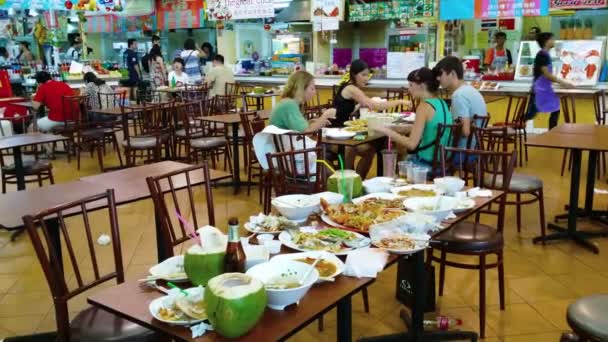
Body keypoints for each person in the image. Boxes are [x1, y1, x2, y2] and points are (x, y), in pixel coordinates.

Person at [333, 59, 409, 178]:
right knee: (361, 148)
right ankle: (349, 180)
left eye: (367, 75)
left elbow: (348, 107)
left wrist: (360, 104)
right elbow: (374, 105)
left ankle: (358, 180)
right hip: (336, 136)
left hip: (345, 132)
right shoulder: (351, 89)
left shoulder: (350, 87)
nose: (366, 78)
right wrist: (399, 101)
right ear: (354, 74)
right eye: (363, 75)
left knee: (371, 148)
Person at [370, 68, 454, 167]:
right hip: (443, 163)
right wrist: (398, 129)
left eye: (411, 85)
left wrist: (386, 131)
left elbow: (411, 144)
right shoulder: (441, 102)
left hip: (425, 164)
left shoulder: (424, 106)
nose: (409, 89)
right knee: (400, 148)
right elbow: (431, 128)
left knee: (397, 150)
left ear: (422, 86)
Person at [434, 56, 487, 148]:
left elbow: (465, 131)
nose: (438, 78)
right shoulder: (470, 90)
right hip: (475, 149)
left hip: (462, 153)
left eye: (440, 74)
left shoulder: (459, 95)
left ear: (452, 73)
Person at [526, 32, 574, 129]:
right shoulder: (542, 55)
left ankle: (551, 133)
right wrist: (563, 82)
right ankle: (512, 127)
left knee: (555, 109)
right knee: (531, 114)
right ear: (546, 42)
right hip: (540, 90)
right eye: (552, 39)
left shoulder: (545, 54)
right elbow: (546, 74)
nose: (553, 41)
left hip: (544, 89)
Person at [269, 70, 336, 133]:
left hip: (285, 143)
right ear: (301, 88)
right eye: (312, 88)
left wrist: (312, 123)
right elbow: (305, 132)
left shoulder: (290, 102)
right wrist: (325, 116)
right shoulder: (289, 105)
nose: (315, 92)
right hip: (284, 145)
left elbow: (297, 127)